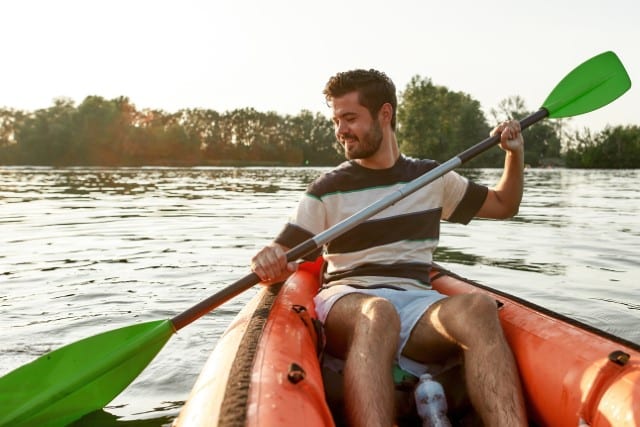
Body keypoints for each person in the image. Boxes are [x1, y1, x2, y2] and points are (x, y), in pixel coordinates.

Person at [250, 69, 527, 427]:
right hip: (349, 301)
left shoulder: (432, 178)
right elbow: (283, 252)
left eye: (350, 118)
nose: (341, 130)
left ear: (385, 114)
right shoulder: (327, 189)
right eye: (336, 120)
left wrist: (514, 154)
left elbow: (504, 205)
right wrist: (270, 256)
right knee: (378, 313)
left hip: (417, 306)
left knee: (477, 307)